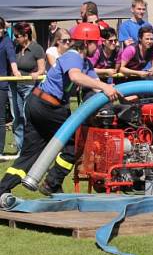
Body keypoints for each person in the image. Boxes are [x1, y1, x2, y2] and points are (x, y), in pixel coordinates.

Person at [0, 23, 121, 203]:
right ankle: (52, 183)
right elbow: (75, 77)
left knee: (30, 154)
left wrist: (123, 94)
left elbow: (96, 86)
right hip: (50, 107)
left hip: (36, 103)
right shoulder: (73, 57)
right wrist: (103, 86)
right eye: (96, 42)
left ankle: (2, 189)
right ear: (86, 42)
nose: (98, 46)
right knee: (73, 144)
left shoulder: (85, 63)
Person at [9, 22, 44, 152]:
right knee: (17, 118)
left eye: (17, 36)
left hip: (29, 86)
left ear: (25, 36)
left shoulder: (36, 48)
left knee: (28, 116)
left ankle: (31, 147)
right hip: (14, 86)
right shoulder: (14, 47)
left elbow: (42, 69)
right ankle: (20, 148)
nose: (15, 38)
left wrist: (36, 74)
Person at [0, 23, 21, 154]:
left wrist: (15, 70)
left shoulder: (6, 41)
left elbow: (11, 57)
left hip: (1, 85)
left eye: (0, 27)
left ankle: (0, 150)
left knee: (0, 119)